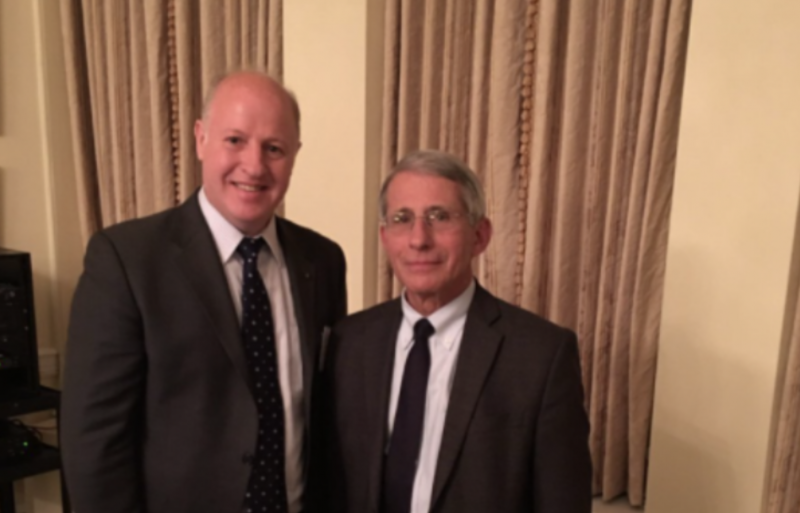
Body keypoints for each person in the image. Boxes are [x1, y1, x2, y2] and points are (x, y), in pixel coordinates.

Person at [61, 71, 347, 513]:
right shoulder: (126, 261)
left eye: (274, 148)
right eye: (235, 140)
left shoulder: (323, 261)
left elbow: (324, 416)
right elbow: (94, 440)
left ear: (294, 156)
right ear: (200, 139)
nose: (254, 165)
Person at [320, 150, 591, 513]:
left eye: (440, 217)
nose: (419, 239)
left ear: (479, 236)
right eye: (402, 219)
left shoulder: (542, 356)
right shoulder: (349, 342)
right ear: (385, 237)